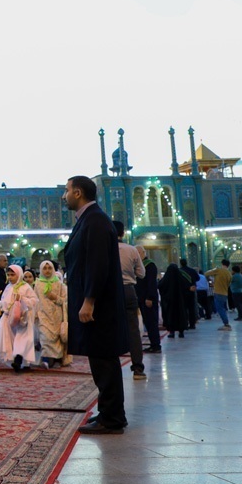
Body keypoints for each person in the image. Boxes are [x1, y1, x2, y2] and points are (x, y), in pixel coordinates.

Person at [62, 175, 128, 435]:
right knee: (101, 361)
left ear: (78, 193)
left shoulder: (97, 221)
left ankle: (112, 419)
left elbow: (98, 265)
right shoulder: (89, 220)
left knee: (104, 361)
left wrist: (89, 300)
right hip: (95, 305)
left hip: (99, 307)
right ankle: (109, 413)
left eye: (66, 190)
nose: (64, 195)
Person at [114, 221, 146, 380]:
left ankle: (112, 371)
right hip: (128, 290)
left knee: (109, 330)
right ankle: (138, 369)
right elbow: (141, 274)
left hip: (110, 292)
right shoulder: (132, 250)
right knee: (133, 331)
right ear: (123, 234)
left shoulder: (103, 249)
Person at [0, 264, 39, 372]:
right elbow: (3, 300)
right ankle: (15, 360)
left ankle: (22, 361)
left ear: (19, 274)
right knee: (11, 340)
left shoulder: (25, 287)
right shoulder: (8, 287)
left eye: (12, 275)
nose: (10, 277)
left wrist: (22, 299)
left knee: (23, 340)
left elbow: (34, 300)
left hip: (23, 319)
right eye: (8, 275)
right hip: (9, 318)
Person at [35, 260, 72, 369]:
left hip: (57, 316)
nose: (47, 271)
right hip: (43, 315)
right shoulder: (38, 284)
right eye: (45, 268)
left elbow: (65, 300)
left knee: (56, 338)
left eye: (49, 268)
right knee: (45, 337)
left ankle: (55, 359)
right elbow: (35, 300)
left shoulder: (59, 284)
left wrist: (55, 297)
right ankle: (46, 360)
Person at [136, 246, 162, 353]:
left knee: (151, 322)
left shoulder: (150, 265)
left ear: (143, 253)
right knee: (147, 321)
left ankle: (156, 345)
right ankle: (153, 344)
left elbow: (151, 283)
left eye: (137, 253)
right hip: (142, 298)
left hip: (148, 299)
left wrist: (149, 298)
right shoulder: (140, 265)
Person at [158, 265, 189, 339]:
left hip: (169, 303)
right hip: (180, 303)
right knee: (180, 316)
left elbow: (160, 286)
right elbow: (186, 288)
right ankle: (181, 332)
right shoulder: (181, 278)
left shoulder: (166, 279)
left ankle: (172, 332)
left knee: (170, 316)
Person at [204, 259, 234, 331]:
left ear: (222, 263)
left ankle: (226, 324)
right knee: (222, 308)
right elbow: (228, 284)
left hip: (218, 292)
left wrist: (210, 282)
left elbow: (206, 274)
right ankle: (226, 323)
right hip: (225, 293)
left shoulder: (218, 270)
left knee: (220, 309)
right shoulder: (229, 274)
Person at [179, 258, 200, 330]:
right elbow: (198, 278)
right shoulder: (192, 270)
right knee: (191, 308)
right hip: (191, 291)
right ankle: (192, 324)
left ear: (180, 263)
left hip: (182, 292)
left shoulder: (179, 271)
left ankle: (185, 323)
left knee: (184, 308)